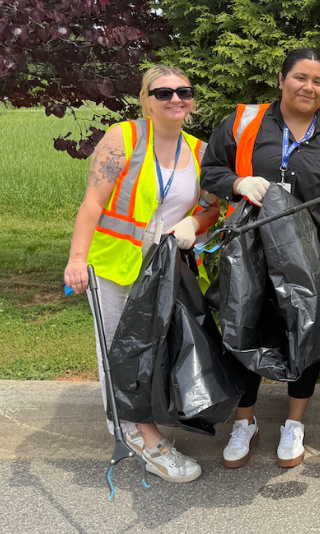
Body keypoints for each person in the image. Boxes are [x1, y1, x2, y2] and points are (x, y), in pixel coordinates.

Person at [200, 48, 320, 468]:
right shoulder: (243, 123)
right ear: (281, 79)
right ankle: (245, 421)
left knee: (306, 337)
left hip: (318, 259)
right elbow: (211, 171)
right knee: (246, 329)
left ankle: (294, 423)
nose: (308, 87)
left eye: (317, 81)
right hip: (252, 255)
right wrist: (238, 182)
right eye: (300, 77)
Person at [64, 65, 220, 483]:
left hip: (165, 269)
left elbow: (211, 207)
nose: (175, 99)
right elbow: (92, 204)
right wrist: (77, 259)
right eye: (163, 92)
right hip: (115, 266)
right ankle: (138, 434)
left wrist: (195, 225)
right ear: (146, 99)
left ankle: (137, 419)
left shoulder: (200, 152)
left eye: (183, 91)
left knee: (154, 348)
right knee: (119, 351)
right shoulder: (125, 138)